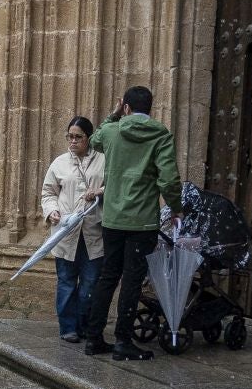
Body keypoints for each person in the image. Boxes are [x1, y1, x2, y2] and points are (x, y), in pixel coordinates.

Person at [82, 85, 181, 361]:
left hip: (112, 219)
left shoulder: (112, 131)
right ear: (150, 108)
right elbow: (169, 180)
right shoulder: (160, 135)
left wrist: (113, 115)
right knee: (132, 281)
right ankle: (123, 341)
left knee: (108, 276)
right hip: (142, 223)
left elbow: (94, 140)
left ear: (125, 107)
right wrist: (176, 208)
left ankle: (93, 338)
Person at [39, 116, 106, 343]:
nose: (73, 141)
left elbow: (115, 185)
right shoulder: (59, 163)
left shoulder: (103, 160)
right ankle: (68, 327)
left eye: (78, 137)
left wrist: (100, 191)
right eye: (70, 136)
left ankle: (84, 325)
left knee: (90, 283)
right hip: (66, 233)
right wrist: (52, 211)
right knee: (66, 281)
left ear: (89, 138)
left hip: (93, 233)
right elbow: (48, 193)